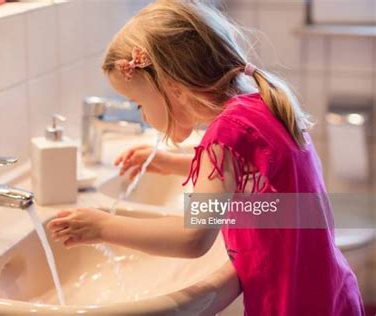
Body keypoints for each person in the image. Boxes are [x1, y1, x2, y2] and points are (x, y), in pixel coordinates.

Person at [47, 1, 364, 314]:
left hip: (290, 306)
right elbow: (254, 176)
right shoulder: (260, 105)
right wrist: (174, 163)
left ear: (171, 85)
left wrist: (103, 226)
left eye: (138, 102)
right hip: (330, 294)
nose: (142, 116)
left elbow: (193, 238)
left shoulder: (226, 132)